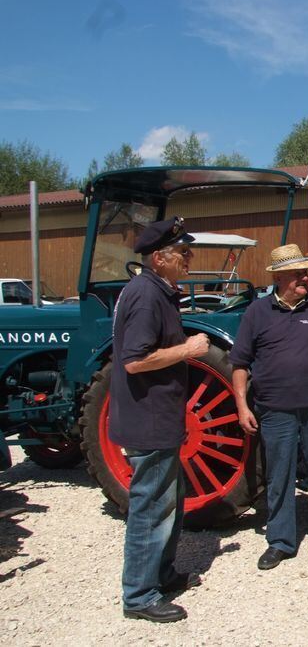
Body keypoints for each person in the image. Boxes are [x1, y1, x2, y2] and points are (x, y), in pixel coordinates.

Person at [230, 243, 308, 570]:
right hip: (275, 409)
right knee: (279, 474)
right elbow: (240, 364)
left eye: (306, 273)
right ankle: (280, 541)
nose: (306, 278)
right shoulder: (257, 312)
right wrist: (242, 405)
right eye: (299, 273)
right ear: (279, 277)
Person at [111, 217, 209, 623]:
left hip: (160, 417)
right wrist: (188, 349)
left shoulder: (158, 292)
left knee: (168, 502)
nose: (190, 257)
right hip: (148, 419)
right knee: (151, 506)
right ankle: (139, 595)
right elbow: (135, 361)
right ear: (158, 258)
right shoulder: (147, 296)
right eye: (183, 252)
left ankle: (161, 573)